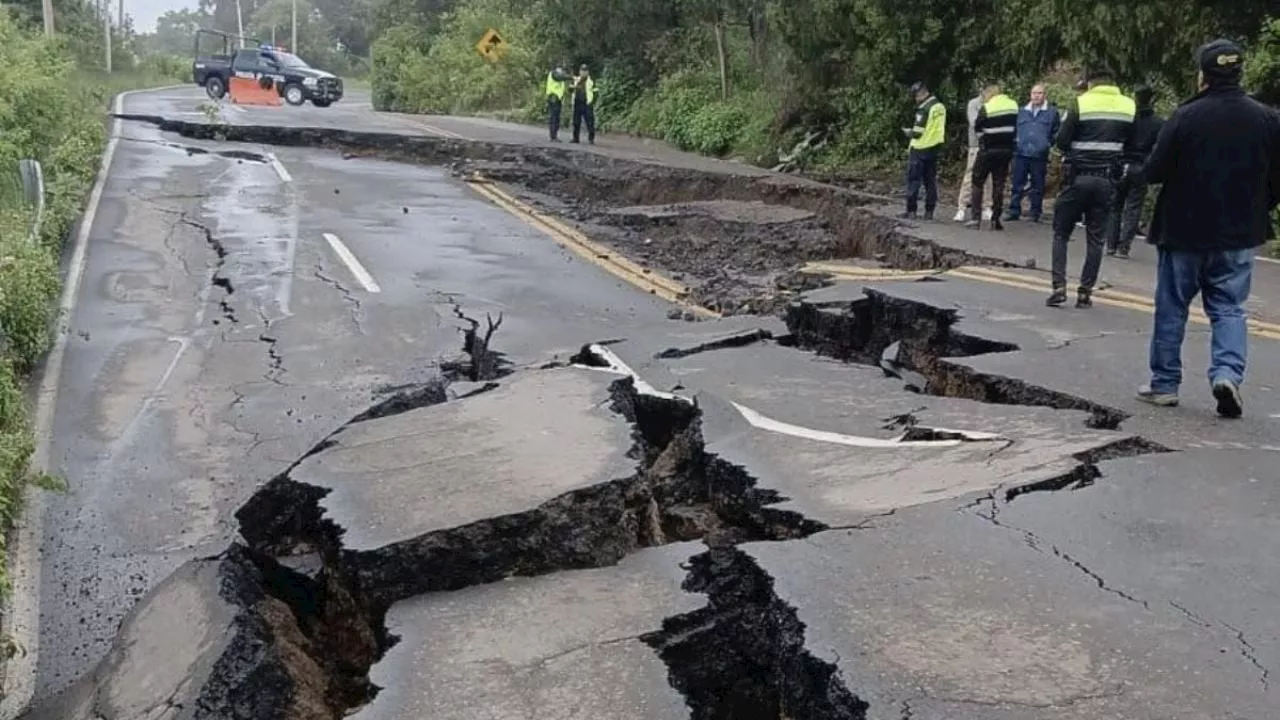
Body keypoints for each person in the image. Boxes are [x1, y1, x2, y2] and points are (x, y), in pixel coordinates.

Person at [1136, 39, 1280, 418]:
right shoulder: (1267, 118)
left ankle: (1164, 384)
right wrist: (1261, 208)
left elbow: (1154, 171)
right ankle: (1227, 373)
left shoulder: (1185, 117)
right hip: (1238, 233)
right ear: (1239, 71)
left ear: (1202, 75)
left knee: (1172, 307)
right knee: (1229, 308)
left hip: (1184, 230)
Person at [1047, 66, 1136, 308]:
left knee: (1061, 233)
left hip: (1078, 177)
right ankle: (1085, 292)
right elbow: (1132, 143)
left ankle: (1059, 286)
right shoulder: (1129, 106)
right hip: (1106, 180)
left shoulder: (1080, 104)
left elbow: (1062, 141)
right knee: (1096, 239)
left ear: (1090, 84)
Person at [1105, 84, 1163, 258]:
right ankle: (1124, 247)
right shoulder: (1158, 123)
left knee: (1115, 206)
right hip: (1141, 166)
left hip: (1122, 163)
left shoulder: (1127, 120)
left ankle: (1111, 245)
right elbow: (1158, 148)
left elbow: (1116, 139)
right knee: (1133, 207)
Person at [965, 84, 1018, 231]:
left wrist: (984, 141)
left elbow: (977, 127)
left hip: (988, 151)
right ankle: (996, 219)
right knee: (999, 184)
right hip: (1006, 151)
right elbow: (1016, 128)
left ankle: (976, 219)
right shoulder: (1013, 106)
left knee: (977, 181)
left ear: (989, 94)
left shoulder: (987, 107)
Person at [1005, 83, 1060, 223]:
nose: (1036, 95)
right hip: (1021, 152)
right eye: (1034, 93)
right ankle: (1014, 210)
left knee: (1038, 184)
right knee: (1017, 183)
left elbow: (1056, 132)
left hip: (1039, 154)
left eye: (1040, 93)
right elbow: (1014, 130)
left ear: (1044, 95)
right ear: (1030, 94)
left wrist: (1047, 144)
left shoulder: (1052, 112)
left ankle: (1035, 212)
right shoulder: (1022, 111)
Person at [900, 81, 947, 220]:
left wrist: (908, 132)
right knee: (930, 181)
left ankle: (911, 211)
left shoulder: (924, 109)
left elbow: (917, 132)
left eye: (915, 96)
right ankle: (929, 212)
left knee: (914, 180)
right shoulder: (940, 107)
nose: (915, 99)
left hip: (920, 148)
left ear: (921, 94)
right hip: (934, 147)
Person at [954, 86, 994, 223]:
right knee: (970, 174)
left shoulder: (994, 104)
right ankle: (962, 207)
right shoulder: (974, 104)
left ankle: (986, 206)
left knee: (988, 176)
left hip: (990, 144)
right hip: (976, 144)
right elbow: (974, 122)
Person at [571, 64, 597, 144]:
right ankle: (575, 138)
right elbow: (570, 90)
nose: (583, 73)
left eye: (585, 71)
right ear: (580, 71)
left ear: (588, 72)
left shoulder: (591, 80)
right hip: (577, 102)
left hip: (587, 103)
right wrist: (572, 87)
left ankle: (591, 138)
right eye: (582, 71)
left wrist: (592, 102)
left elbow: (596, 92)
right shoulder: (576, 80)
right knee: (576, 122)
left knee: (590, 122)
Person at [545, 64, 571, 141]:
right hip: (553, 98)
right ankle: (553, 136)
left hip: (557, 99)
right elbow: (560, 77)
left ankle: (554, 135)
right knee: (554, 117)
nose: (562, 72)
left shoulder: (559, 76)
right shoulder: (554, 74)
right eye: (561, 70)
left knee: (556, 118)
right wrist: (571, 77)